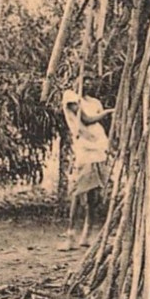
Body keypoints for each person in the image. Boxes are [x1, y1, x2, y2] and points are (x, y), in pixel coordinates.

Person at [60, 85, 114, 249]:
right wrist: (108, 113)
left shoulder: (95, 102)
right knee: (79, 191)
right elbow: (85, 119)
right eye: (86, 78)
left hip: (99, 149)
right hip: (85, 150)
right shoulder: (71, 97)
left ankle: (86, 234)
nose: (89, 82)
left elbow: (97, 125)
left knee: (94, 196)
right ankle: (70, 235)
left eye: (93, 79)